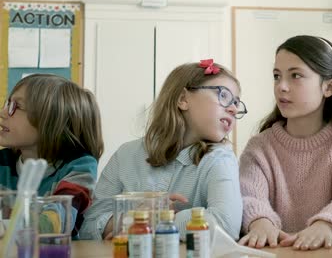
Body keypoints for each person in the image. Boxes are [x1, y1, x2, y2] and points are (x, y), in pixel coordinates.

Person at [79, 60, 245, 240]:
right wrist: (131, 219)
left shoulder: (220, 158)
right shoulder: (126, 155)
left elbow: (226, 224)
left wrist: (154, 222)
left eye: (236, 102)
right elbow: (88, 225)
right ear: (183, 99)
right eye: (224, 96)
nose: (233, 109)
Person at [239, 35, 332, 251]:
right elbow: (247, 196)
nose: (281, 86)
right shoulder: (259, 147)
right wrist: (259, 222)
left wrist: (326, 225)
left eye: (296, 76)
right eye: (276, 76)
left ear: (329, 87)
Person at [0, 74, 104, 237]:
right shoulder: (3, 162)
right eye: (8, 104)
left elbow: (55, 221)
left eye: (16, 107)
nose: (3, 113)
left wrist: (6, 228)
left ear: (51, 121)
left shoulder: (79, 166)